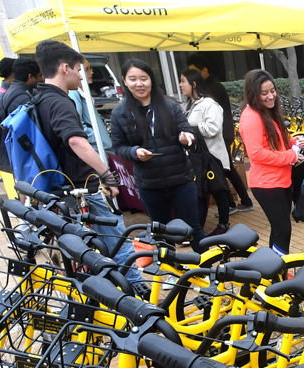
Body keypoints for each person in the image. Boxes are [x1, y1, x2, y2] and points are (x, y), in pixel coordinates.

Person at [32, 40, 143, 289]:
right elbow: (76, 141)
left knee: (80, 249)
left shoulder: (39, 98)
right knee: (119, 239)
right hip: (82, 187)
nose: (81, 76)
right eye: (78, 70)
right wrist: (106, 174)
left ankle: (99, 292)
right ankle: (138, 295)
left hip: (59, 187)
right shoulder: (60, 101)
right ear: (65, 68)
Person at [110, 58, 205, 249]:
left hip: (181, 179)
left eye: (143, 78)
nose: (139, 84)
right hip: (149, 183)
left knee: (194, 228)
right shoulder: (120, 113)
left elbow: (187, 130)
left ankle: (207, 270)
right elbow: (118, 146)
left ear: (151, 80)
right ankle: (171, 275)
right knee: (161, 233)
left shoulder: (169, 106)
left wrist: (186, 137)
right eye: (133, 79)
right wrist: (135, 152)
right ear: (125, 81)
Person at [238, 69, 303, 255]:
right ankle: (277, 274)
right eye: (264, 93)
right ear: (253, 94)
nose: (270, 96)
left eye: (272, 90)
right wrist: (290, 156)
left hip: (280, 180)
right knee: (283, 230)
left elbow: (275, 140)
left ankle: (275, 271)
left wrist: (293, 142)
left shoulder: (267, 112)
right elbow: (257, 154)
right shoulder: (251, 117)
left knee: (280, 230)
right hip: (267, 184)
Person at [186, 52, 254, 213]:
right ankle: (240, 201)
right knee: (225, 168)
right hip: (220, 135)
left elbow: (213, 121)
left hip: (221, 135)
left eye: (194, 72)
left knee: (222, 169)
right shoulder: (208, 87)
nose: (191, 78)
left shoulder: (212, 89)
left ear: (204, 71)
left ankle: (233, 203)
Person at [180, 68, 231, 236]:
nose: (180, 85)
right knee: (202, 192)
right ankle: (197, 229)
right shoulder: (187, 105)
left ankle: (223, 224)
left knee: (218, 190)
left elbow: (213, 128)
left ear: (193, 84)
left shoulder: (209, 104)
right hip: (197, 159)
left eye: (183, 81)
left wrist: (189, 131)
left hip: (212, 157)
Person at [69, 57, 113, 154]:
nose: (92, 72)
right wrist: (97, 136)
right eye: (86, 69)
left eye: (91, 68)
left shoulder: (82, 91)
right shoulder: (73, 93)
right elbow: (79, 125)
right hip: (96, 151)